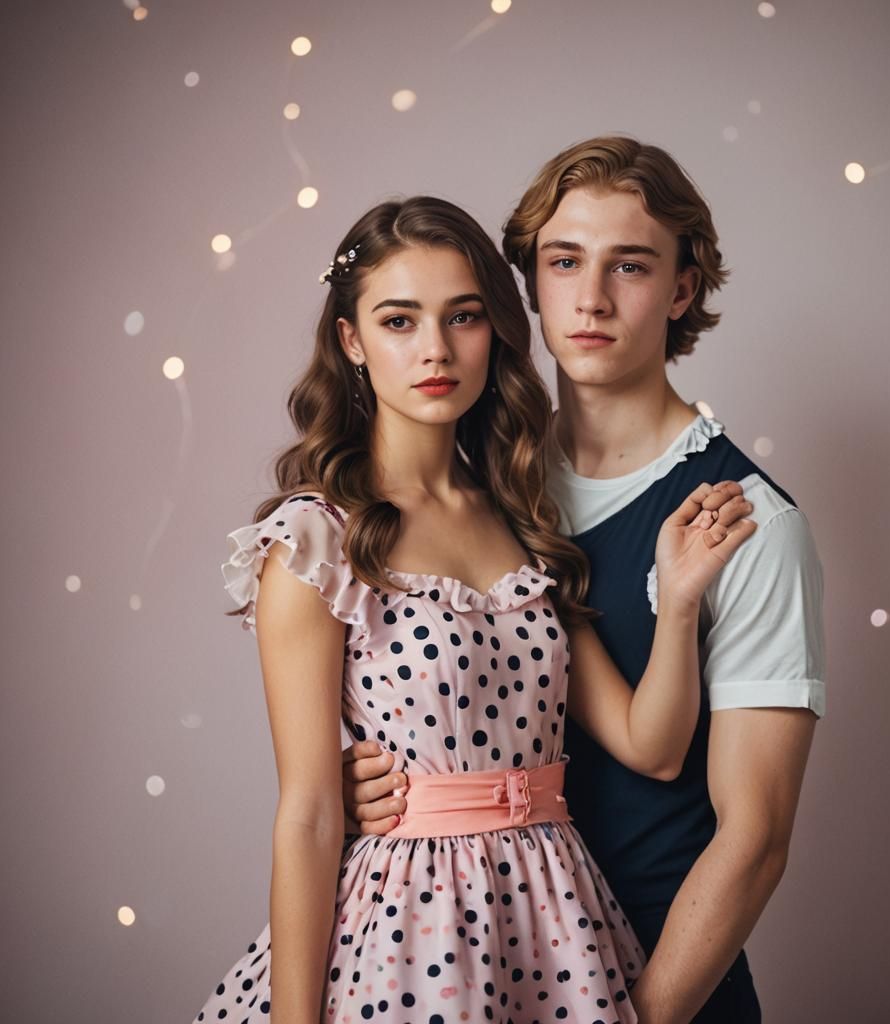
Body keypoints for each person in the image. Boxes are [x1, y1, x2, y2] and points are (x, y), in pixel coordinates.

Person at [191, 195, 756, 1024]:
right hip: (402, 937)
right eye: (398, 320)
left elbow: (655, 746)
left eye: (463, 317)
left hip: (552, 928)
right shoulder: (315, 543)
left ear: (495, 329)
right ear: (352, 339)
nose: (435, 350)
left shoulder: (523, 518)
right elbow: (310, 813)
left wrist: (676, 603)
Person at [344, 138, 826, 1023]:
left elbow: (754, 841)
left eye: (630, 266)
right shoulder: (477, 486)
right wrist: (373, 784)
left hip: (655, 983)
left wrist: (632, 1014)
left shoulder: (747, 523)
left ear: (682, 289)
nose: (591, 298)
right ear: (526, 281)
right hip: (475, 968)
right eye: (565, 261)